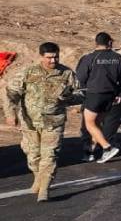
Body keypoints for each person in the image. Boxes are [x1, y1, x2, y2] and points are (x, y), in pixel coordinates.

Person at [4, 42, 80, 202]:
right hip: (30, 122)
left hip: (54, 122)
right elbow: (11, 93)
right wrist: (10, 114)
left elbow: (80, 94)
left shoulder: (66, 74)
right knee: (33, 155)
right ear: (41, 57)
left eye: (56, 57)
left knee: (49, 155)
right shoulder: (28, 72)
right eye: (49, 58)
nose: (53, 61)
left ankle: (44, 189)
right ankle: (38, 177)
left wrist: (68, 97)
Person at [76, 32, 121, 163]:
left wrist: (82, 90)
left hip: (94, 94)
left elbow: (80, 77)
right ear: (109, 42)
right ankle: (90, 152)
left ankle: (107, 148)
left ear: (96, 42)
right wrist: (120, 94)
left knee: (89, 124)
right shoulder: (118, 58)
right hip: (110, 95)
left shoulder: (89, 57)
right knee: (97, 124)